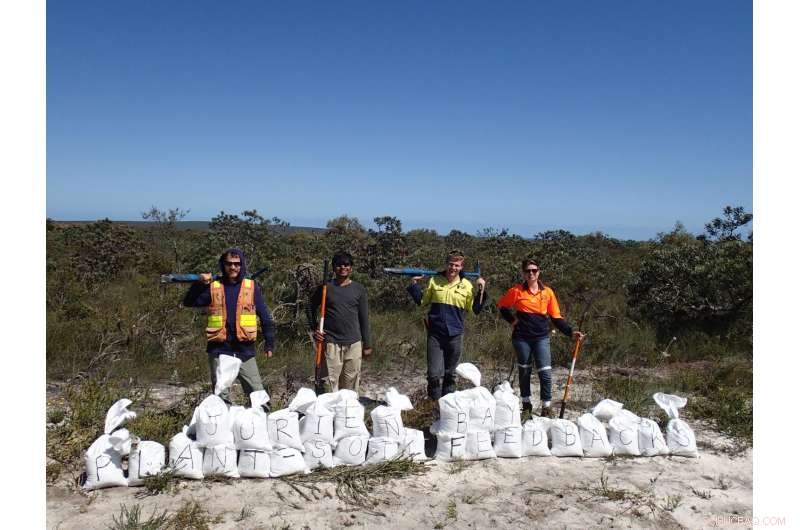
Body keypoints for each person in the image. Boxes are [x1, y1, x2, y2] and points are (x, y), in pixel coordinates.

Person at [182, 248, 275, 406]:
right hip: (219, 350)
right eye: (229, 264)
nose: (233, 267)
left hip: (244, 350)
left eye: (237, 264)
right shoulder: (213, 287)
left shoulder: (251, 287)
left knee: (259, 396)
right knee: (220, 399)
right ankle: (222, 429)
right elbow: (189, 302)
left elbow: (265, 317)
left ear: (242, 265)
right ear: (223, 265)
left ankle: (260, 427)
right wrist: (199, 284)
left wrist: (269, 343)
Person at [497, 258, 585, 418]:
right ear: (523, 273)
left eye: (534, 270)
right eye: (528, 271)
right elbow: (502, 306)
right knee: (524, 371)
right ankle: (526, 406)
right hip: (521, 338)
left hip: (541, 338)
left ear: (539, 272)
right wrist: (512, 320)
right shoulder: (516, 291)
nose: (531, 273)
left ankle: (546, 407)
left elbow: (556, 318)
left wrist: (571, 332)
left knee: (545, 372)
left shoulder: (547, 292)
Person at [407, 249, 486, 400]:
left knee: (451, 373)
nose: (453, 268)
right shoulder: (434, 281)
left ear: (461, 267)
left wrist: (481, 291)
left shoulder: (467, 286)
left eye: (457, 265)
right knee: (433, 374)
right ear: (446, 264)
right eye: (451, 264)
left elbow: (475, 309)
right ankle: (433, 405)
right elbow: (422, 301)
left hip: (455, 335)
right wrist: (414, 284)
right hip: (435, 334)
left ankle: (448, 405)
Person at [309, 251, 372, 393]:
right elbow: (310, 306)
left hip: (354, 344)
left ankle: (346, 413)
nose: (343, 267)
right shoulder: (325, 288)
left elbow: (364, 317)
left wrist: (367, 344)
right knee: (328, 385)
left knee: (350, 386)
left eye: (346, 264)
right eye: (339, 264)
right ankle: (326, 413)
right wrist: (314, 329)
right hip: (330, 343)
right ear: (333, 267)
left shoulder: (359, 289)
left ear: (351, 268)